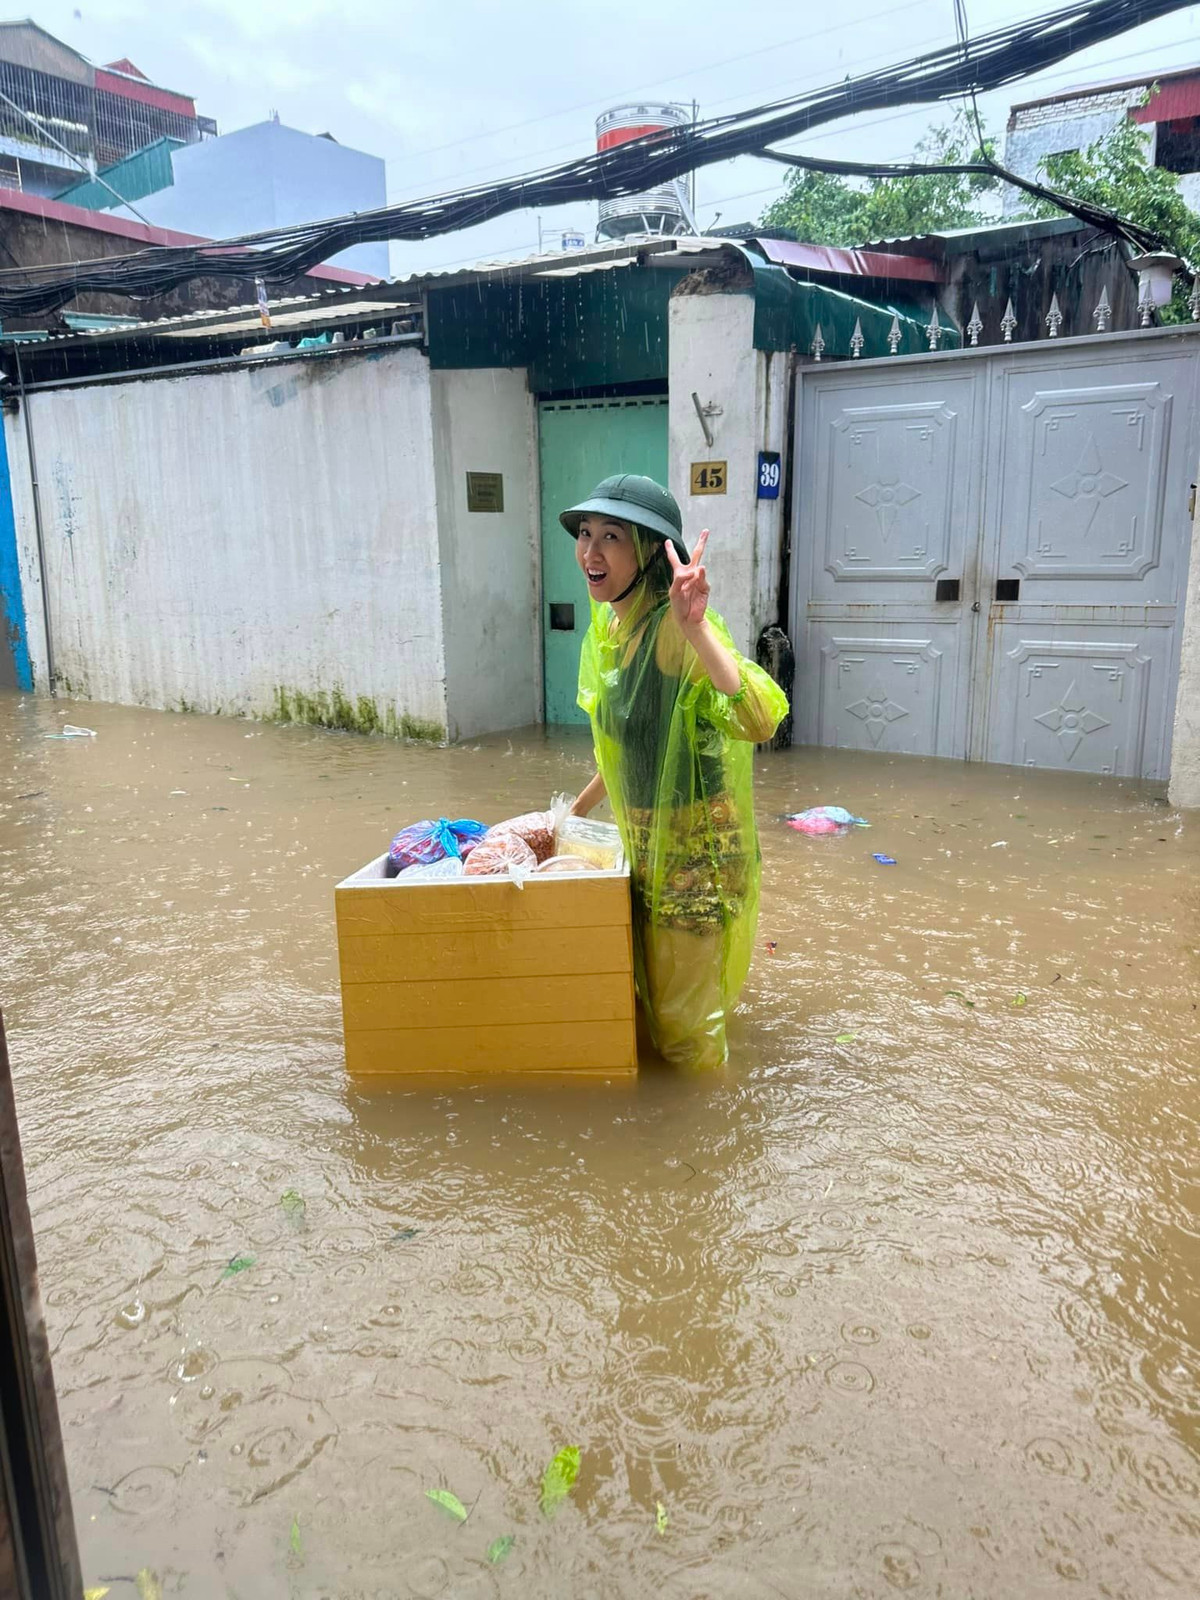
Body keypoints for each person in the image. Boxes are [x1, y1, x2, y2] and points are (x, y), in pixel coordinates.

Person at [561, 474, 788, 1071]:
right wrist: (568, 819)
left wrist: (695, 630)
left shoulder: (671, 630)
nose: (591, 551)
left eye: (612, 536)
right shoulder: (613, 630)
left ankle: (706, 1152)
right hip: (644, 850)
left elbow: (760, 720)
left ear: (648, 551)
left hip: (695, 854)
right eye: (586, 534)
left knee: (688, 1036)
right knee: (650, 1006)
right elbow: (626, 752)